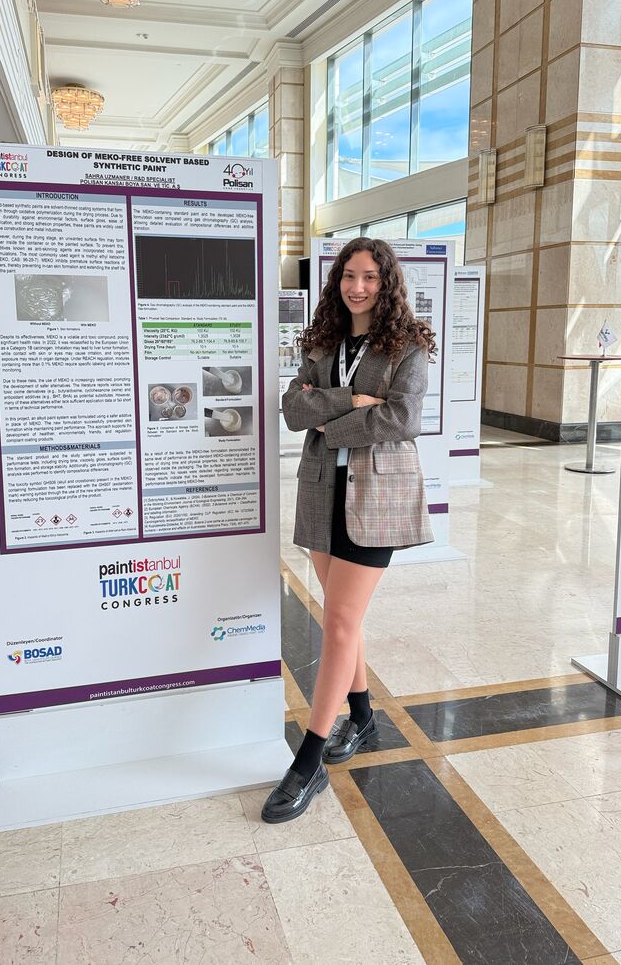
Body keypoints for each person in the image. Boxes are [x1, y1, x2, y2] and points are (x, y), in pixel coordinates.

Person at [261, 237, 436, 824]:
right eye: (348, 276)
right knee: (345, 619)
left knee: (337, 622)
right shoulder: (322, 342)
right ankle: (361, 717)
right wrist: (350, 399)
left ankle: (308, 761)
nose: (357, 287)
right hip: (321, 492)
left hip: (377, 496)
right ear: (336, 282)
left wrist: (331, 421)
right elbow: (293, 409)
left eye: (369, 277)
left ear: (386, 284)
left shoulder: (408, 346)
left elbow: (402, 418)